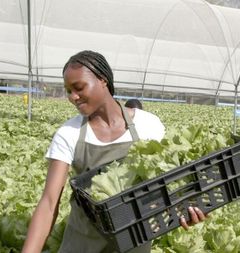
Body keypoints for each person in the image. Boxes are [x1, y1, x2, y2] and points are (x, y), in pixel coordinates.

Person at [22, 50, 206, 253]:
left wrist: (187, 208)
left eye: (79, 88)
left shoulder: (148, 125)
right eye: (68, 91)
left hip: (134, 245)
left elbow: (174, 184)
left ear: (102, 80)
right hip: (81, 244)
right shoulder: (69, 133)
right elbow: (49, 203)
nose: (73, 97)